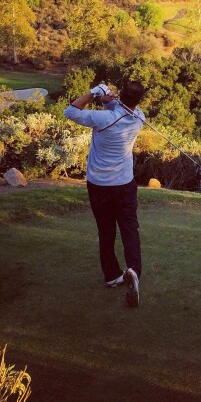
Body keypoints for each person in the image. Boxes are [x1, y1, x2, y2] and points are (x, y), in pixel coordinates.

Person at [64, 80, 147, 307]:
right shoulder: (140, 117)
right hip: (124, 184)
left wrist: (94, 93)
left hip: (99, 185)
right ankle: (133, 271)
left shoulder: (102, 119)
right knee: (130, 228)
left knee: (106, 230)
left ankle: (112, 275)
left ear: (121, 94)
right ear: (139, 101)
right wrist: (108, 99)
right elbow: (118, 110)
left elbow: (70, 111)